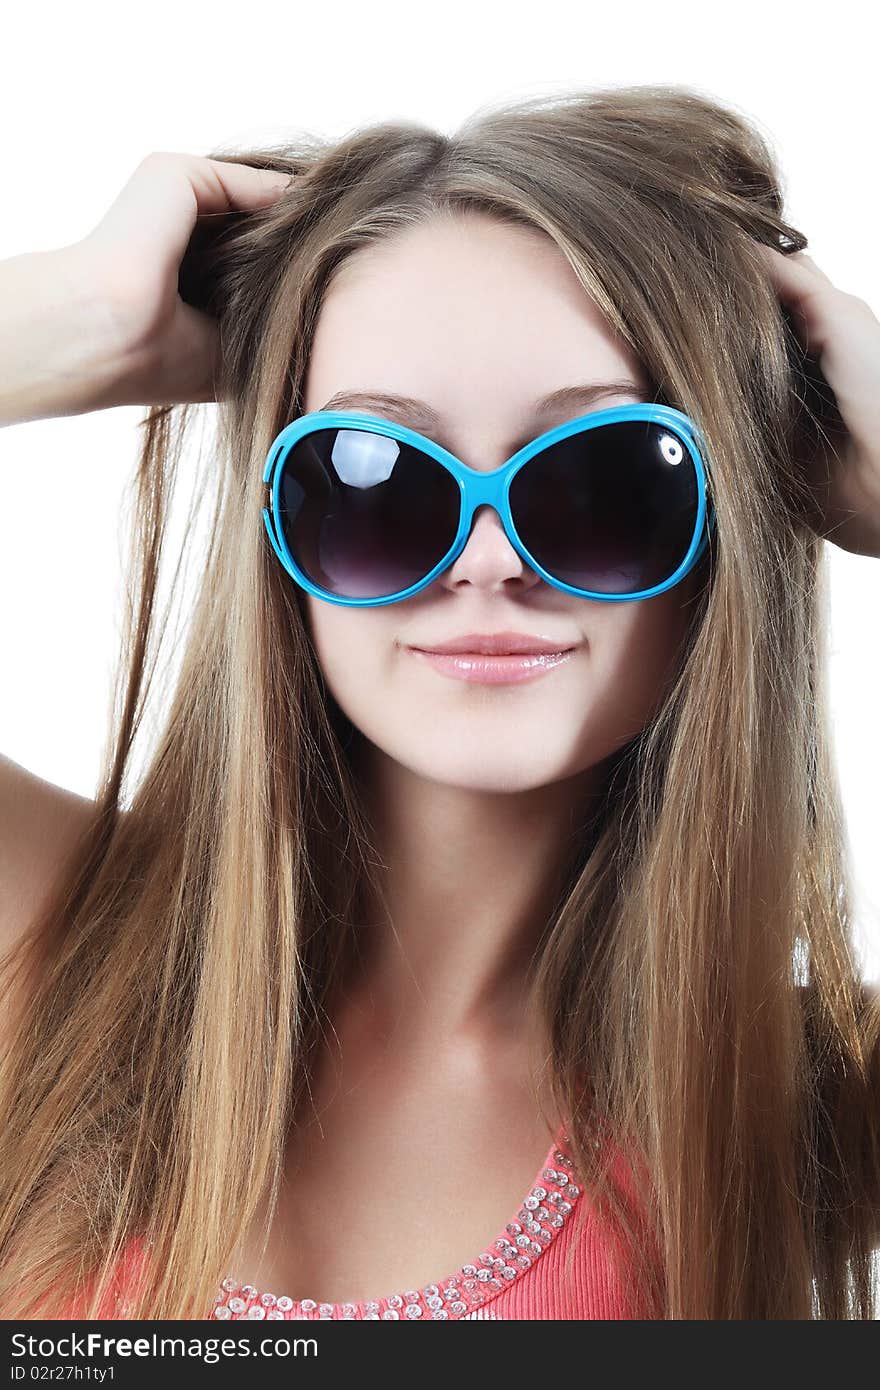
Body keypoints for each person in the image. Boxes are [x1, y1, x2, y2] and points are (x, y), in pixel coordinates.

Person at [0, 84, 878, 1322]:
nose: (487, 559)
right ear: (278, 529)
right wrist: (58, 324)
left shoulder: (791, 1109)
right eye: (376, 478)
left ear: (728, 513)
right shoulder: (48, 942)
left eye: (599, 478)